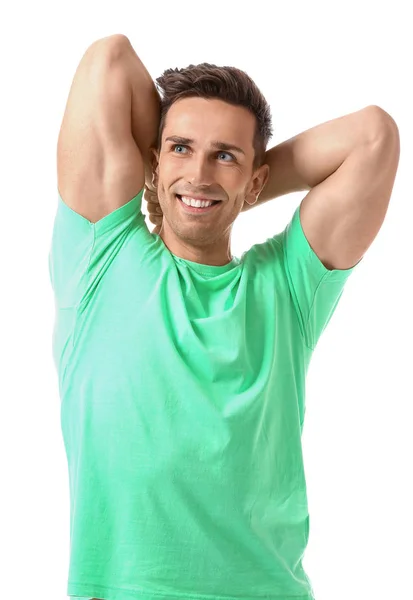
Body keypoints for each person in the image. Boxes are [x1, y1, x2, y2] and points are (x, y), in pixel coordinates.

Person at [48, 33, 400, 600]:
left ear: (256, 178)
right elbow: (108, 60)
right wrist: (184, 188)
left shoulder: (285, 288)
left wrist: (217, 191)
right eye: (181, 147)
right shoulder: (100, 257)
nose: (201, 169)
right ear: (153, 160)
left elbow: (373, 137)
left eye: (226, 156)